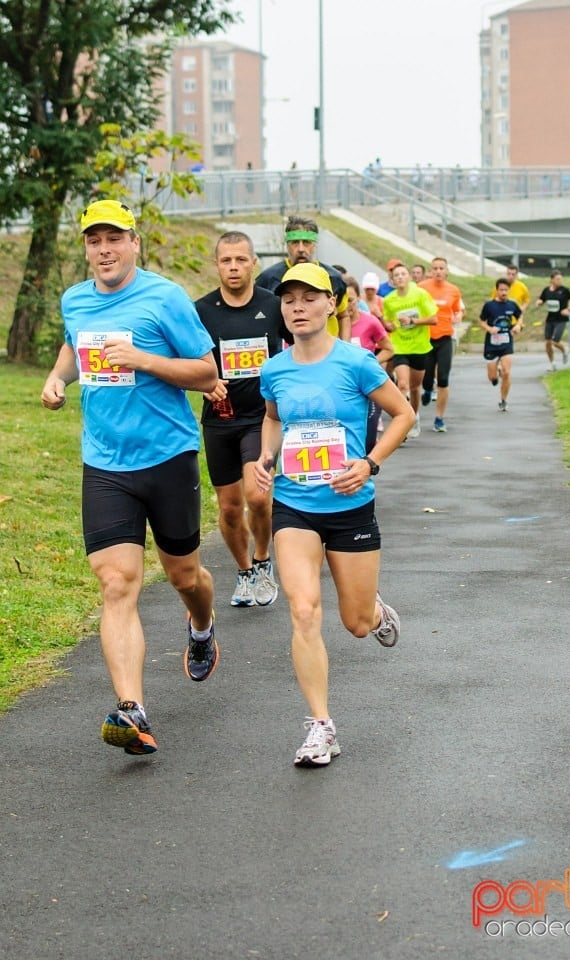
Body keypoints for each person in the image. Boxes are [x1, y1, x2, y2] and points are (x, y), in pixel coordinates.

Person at [40, 199, 219, 758]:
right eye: (94, 241)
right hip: (105, 464)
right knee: (116, 583)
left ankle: (202, 625)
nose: (104, 250)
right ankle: (132, 710)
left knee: (185, 575)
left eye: (114, 238)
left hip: (168, 457)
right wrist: (56, 380)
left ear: (134, 243)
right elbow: (74, 343)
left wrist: (142, 359)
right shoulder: (75, 298)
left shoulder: (164, 297)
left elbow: (206, 371)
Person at [254, 263, 414, 767]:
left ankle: (374, 610)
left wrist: (368, 463)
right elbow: (273, 418)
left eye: (309, 298)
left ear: (332, 304)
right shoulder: (274, 369)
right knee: (303, 611)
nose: (297, 308)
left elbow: (403, 414)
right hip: (293, 505)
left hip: (350, 506)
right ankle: (321, 726)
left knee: (356, 624)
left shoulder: (356, 363)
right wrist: (265, 458)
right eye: (289, 300)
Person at [196, 231, 282, 608]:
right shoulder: (200, 310)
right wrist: (204, 382)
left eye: (240, 260)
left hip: (260, 417)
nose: (233, 267)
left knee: (258, 496)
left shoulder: (274, 305)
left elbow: (299, 348)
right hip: (219, 419)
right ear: (217, 264)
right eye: (226, 260)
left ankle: (264, 559)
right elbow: (185, 359)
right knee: (230, 507)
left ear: (253, 263)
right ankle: (244, 570)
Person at [255, 216, 350, 340]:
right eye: (295, 243)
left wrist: (346, 348)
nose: (301, 249)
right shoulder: (267, 278)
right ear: (287, 245)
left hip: (327, 352)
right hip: (285, 353)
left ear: (314, 244)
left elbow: (343, 316)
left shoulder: (334, 277)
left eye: (306, 243)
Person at [383, 262, 438, 437]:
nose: (399, 277)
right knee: (402, 384)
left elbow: (433, 319)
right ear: (392, 279)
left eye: (403, 274)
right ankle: (402, 423)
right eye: (396, 275)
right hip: (400, 347)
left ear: (409, 277)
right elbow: (388, 322)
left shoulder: (420, 294)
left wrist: (413, 321)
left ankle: (413, 416)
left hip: (419, 347)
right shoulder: (389, 300)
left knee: (415, 388)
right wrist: (389, 325)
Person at [345, 277, 395, 451]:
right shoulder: (330, 326)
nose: (346, 305)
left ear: (358, 298)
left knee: (368, 440)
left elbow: (389, 349)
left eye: (350, 300)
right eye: (342, 301)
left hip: (368, 387)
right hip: (344, 389)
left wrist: (369, 363)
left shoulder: (370, 322)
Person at [419, 256, 464, 433]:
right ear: (431, 271)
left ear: (446, 271)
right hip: (426, 338)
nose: (438, 271)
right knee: (427, 376)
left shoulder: (453, 290)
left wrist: (458, 316)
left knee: (443, 379)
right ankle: (428, 389)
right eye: (435, 268)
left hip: (445, 338)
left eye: (441, 268)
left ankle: (439, 418)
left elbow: (457, 311)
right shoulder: (422, 288)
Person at [478, 278, 522, 412]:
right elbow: (481, 321)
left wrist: (518, 325)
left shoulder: (512, 305)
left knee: (507, 372)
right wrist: (489, 329)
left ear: (509, 290)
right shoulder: (489, 305)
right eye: (501, 290)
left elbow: (520, 316)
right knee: (492, 378)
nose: (504, 292)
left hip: (506, 342)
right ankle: (495, 374)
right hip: (491, 344)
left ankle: (503, 400)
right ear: (496, 290)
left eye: (506, 290)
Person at [536, 270, 570, 370]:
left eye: (561, 279)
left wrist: (568, 309)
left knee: (555, 341)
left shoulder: (564, 290)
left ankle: (564, 349)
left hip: (561, 319)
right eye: (557, 279)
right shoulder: (547, 290)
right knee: (548, 343)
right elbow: (541, 299)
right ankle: (552, 364)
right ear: (552, 280)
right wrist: (539, 302)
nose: (560, 281)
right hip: (550, 319)